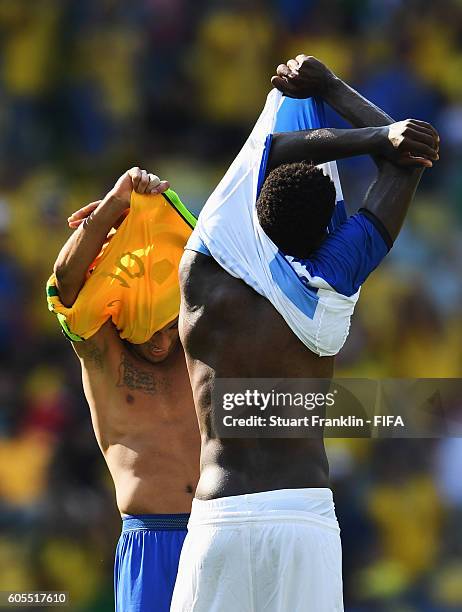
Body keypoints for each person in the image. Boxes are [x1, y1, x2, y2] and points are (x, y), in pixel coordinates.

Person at [171, 56, 440, 611]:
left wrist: (351, 127)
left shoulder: (201, 273)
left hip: (219, 516)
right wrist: (334, 90)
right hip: (302, 518)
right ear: (328, 232)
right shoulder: (331, 280)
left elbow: (261, 156)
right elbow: (409, 159)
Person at [47, 168, 200, 612]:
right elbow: (67, 287)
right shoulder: (102, 354)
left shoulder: (199, 345)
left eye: (170, 327)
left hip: (219, 528)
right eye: (149, 331)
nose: (162, 341)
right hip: (149, 539)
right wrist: (117, 203)